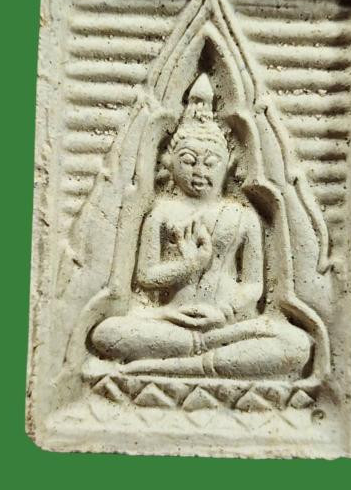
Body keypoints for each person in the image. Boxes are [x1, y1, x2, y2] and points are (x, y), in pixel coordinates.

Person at [90, 74, 312, 379]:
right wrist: (188, 267)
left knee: (296, 344)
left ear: (228, 164)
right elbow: (145, 276)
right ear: (169, 162)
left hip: (227, 326)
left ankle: (175, 364)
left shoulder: (242, 215)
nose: (199, 171)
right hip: (171, 322)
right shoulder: (161, 213)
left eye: (210, 162)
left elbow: (253, 285)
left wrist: (224, 313)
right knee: (107, 332)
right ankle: (206, 358)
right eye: (188, 160)